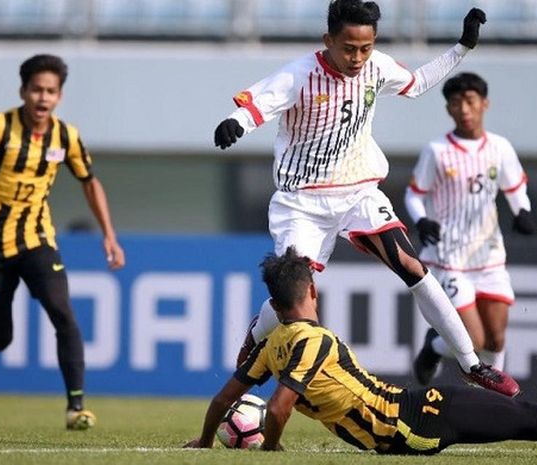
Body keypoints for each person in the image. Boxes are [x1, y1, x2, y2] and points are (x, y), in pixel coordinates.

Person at [213, 0, 520, 397]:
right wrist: (235, 123)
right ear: (328, 40)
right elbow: (260, 105)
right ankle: (255, 343)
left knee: (410, 264)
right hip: (301, 203)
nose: (357, 57)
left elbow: (418, 82)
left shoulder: (378, 67)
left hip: (358, 191)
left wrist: (462, 47)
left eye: (365, 48)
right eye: (348, 48)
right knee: (294, 303)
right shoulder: (300, 75)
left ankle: (472, 364)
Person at [185, 247, 537, 460]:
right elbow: (279, 407)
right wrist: (270, 448)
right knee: (532, 418)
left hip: (407, 414)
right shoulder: (316, 341)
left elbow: (224, 398)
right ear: (311, 288)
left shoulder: (271, 345)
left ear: (274, 301)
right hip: (409, 421)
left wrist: (207, 440)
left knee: (521, 418)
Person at [0, 54, 125, 430]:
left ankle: (76, 407)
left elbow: (89, 181)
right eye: (37, 90)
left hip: (37, 239)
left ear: (59, 96)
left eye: (51, 91)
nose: (43, 98)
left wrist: (109, 234)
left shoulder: (66, 136)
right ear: (23, 91)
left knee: (63, 312)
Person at [405, 72, 537, 385]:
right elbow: (414, 194)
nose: (463, 109)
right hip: (448, 258)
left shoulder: (500, 148)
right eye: (455, 103)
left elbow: (515, 188)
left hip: (489, 255)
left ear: (484, 104)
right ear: (448, 109)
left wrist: (522, 212)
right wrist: (421, 219)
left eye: (469, 101)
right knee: (473, 341)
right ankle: (434, 346)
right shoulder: (437, 151)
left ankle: (493, 402)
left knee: (496, 339)